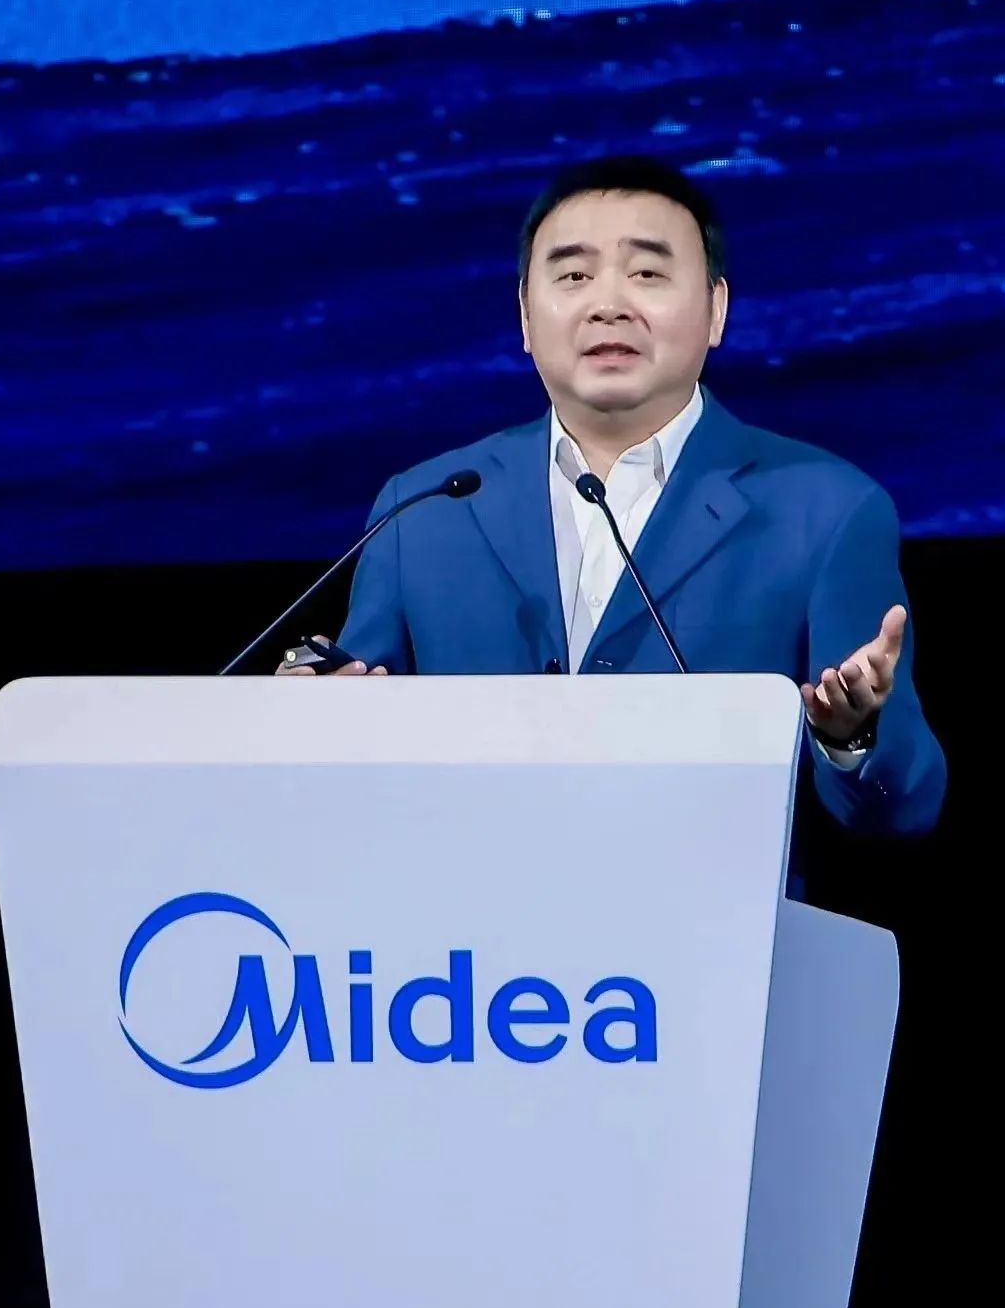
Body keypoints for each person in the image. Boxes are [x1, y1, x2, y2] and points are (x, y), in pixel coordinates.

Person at [280, 154, 945, 844]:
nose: (608, 304)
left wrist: (850, 737)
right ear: (525, 316)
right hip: (461, 909)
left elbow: (903, 811)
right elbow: (344, 780)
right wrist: (306, 722)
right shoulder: (421, 508)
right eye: (573, 276)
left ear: (715, 310)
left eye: (647, 274)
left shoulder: (827, 511)